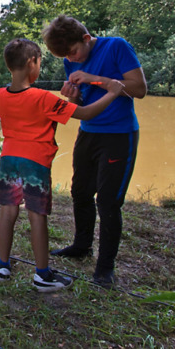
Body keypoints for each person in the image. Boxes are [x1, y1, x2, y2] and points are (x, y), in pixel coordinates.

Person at [0, 38, 125, 292]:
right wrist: (112, 93)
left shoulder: (0, 94)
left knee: (8, 212)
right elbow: (85, 114)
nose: (39, 67)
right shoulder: (44, 98)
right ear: (32, 63)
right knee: (36, 216)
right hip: (35, 164)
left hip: (9, 160)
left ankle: (2, 265)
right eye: (39, 62)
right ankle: (42, 275)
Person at [42, 15, 147, 288]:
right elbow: (79, 102)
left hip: (119, 135)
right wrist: (72, 95)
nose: (72, 60)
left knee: (109, 202)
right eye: (66, 57)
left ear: (86, 39)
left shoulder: (116, 47)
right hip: (89, 133)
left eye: (74, 52)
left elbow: (139, 89)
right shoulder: (70, 59)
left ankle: (105, 268)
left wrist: (94, 78)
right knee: (81, 192)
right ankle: (81, 246)